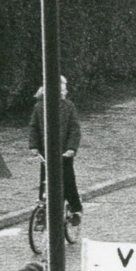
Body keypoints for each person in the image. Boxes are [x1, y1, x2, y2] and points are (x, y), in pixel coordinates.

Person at [29, 77, 82, 225]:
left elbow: (74, 129)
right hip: (46, 152)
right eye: (61, 87)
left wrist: (71, 148)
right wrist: (33, 146)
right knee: (45, 181)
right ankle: (43, 210)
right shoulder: (40, 107)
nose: (63, 90)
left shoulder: (68, 106)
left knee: (67, 181)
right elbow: (34, 127)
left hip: (64, 153)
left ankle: (75, 209)